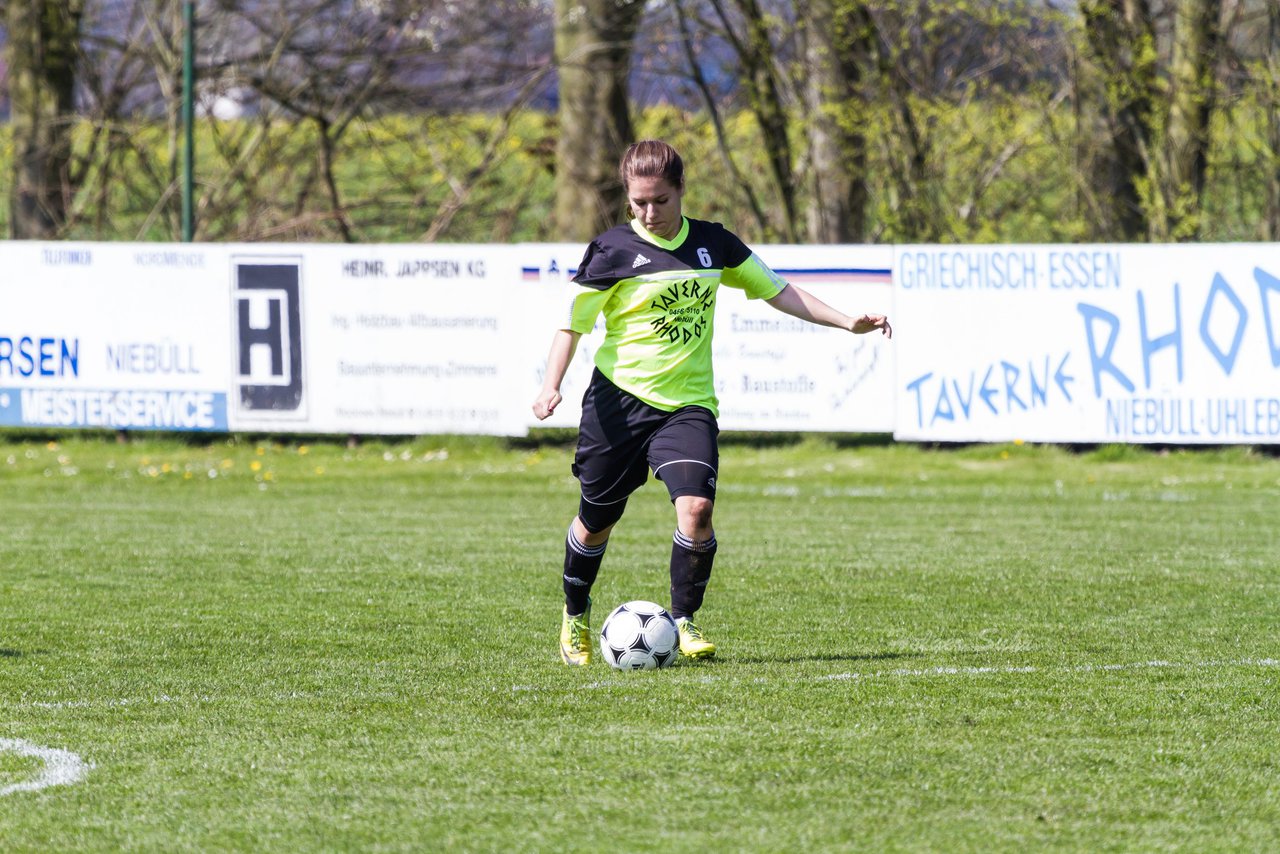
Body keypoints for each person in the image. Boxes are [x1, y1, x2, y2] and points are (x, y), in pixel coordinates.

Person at [533, 140, 892, 666]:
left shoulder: (712, 244)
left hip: (688, 406)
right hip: (618, 404)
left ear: (681, 191)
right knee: (596, 519)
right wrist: (550, 384)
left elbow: (777, 290)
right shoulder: (610, 250)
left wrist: (846, 322)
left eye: (659, 200)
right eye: (638, 203)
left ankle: (683, 621)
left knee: (697, 510)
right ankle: (574, 615)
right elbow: (572, 325)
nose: (649, 213)